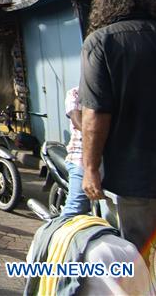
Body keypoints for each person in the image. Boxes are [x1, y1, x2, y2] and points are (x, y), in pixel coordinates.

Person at [79, 0, 156, 264]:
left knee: (141, 261)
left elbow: (96, 113)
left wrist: (90, 168)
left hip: (136, 178)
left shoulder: (101, 42)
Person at [60, 87, 89, 217]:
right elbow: (77, 120)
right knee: (76, 207)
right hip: (80, 156)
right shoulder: (76, 93)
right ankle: (55, 234)